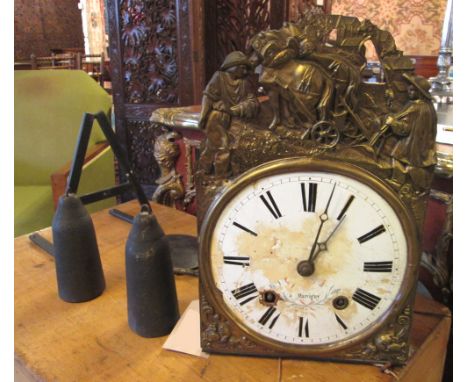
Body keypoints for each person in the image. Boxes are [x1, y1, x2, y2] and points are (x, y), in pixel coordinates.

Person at [198, 51, 259, 176]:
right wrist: (203, 117)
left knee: (214, 147)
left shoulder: (244, 83)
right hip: (217, 118)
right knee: (222, 147)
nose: (245, 72)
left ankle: (206, 173)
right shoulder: (219, 77)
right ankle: (219, 177)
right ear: (233, 66)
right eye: (242, 68)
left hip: (236, 121)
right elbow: (208, 96)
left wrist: (235, 110)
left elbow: (253, 102)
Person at [381, 73, 437, 190]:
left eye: (412, 90)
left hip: (411, 144)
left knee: (396, 156)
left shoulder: (415, 107)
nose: (408, 92)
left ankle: (398, 181)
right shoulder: (428, 106)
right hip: (423, 145)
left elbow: (404, 129)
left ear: (418, 92)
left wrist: (392, 122)